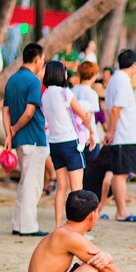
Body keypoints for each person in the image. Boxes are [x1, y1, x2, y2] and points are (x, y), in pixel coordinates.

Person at [41, 61, 96, 229]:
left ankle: (59, 227)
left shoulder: (45, 95)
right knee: (77, 190)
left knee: (61, 188)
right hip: (70, 143)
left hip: (54, 143)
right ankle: (77, 230)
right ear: (60, 73)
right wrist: (92, 133)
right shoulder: (65, 93)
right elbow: (84, 115)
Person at [3, 43, 49, 236]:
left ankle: (18, 224)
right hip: (34, 138)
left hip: (20, 140)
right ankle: (29, 226)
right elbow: (30, 112)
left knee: (24, 183)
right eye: (43, 59)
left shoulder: (12, 80)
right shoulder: (34, 81)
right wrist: (14, 129)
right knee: (33, 185)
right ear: (37, 59)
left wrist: (9, 134)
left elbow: (5, 110)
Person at [104, 49, 136, 222]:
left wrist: (109, 130)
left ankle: (120, 210)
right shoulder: (122, 81)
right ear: (134, 65)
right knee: (120, 174)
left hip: (122, 134)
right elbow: (115, 109)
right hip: (124, 135)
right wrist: (111, 131)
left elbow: (109, 108)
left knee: (120, 173)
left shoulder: (114, 79)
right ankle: (121, 211)